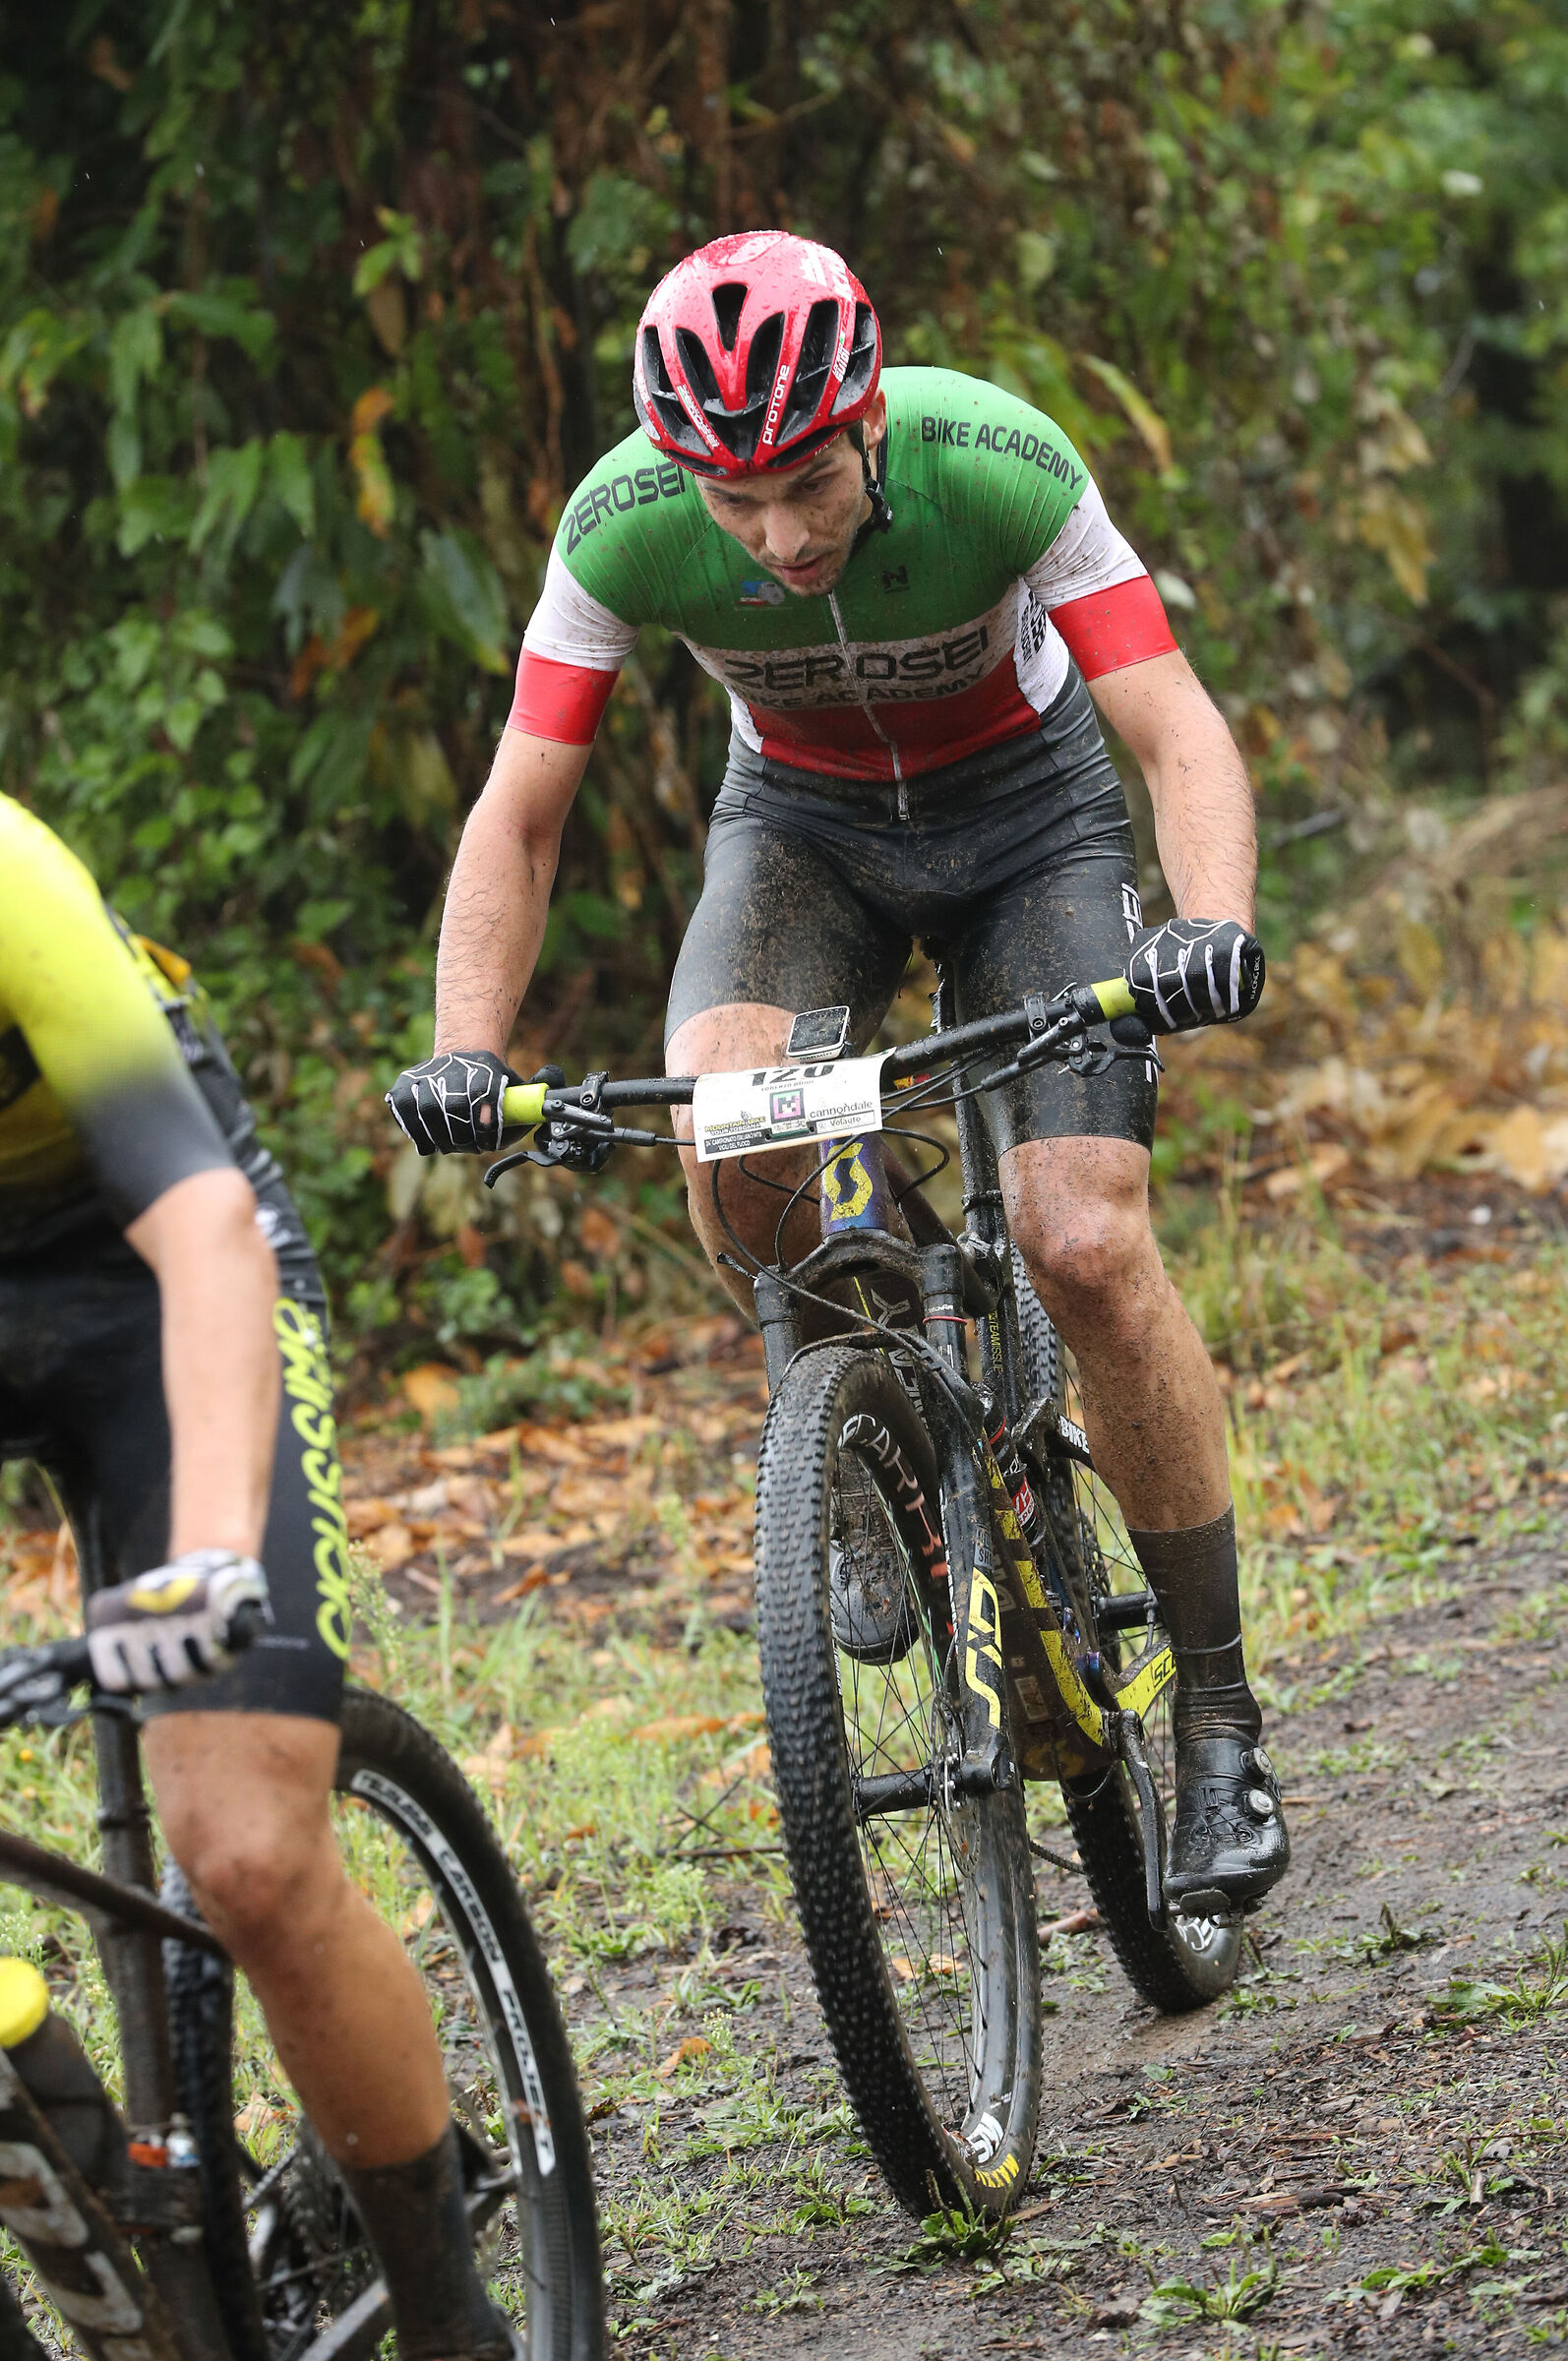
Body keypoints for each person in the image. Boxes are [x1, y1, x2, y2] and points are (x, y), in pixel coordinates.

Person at [389, 231, 1288, 1916]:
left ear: (868, 420)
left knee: (1080, 1236)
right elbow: (519, 811)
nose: (779, 537)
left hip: (1032, 821)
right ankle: (858, 1446)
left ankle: (1219, 1718)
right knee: (734, 1160)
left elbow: (1167, 718)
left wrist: (1205, 922)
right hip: (800, 842)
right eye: (734, 505)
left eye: (805, 483)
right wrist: (467, 1048)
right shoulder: (619, 525)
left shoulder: (996, 460)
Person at [0, 793, 516, 2360]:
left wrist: (210, 1563)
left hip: (141, 1256)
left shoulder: (8, 877)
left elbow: (203, 1224)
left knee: (245, 1850)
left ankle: (449, 2321)